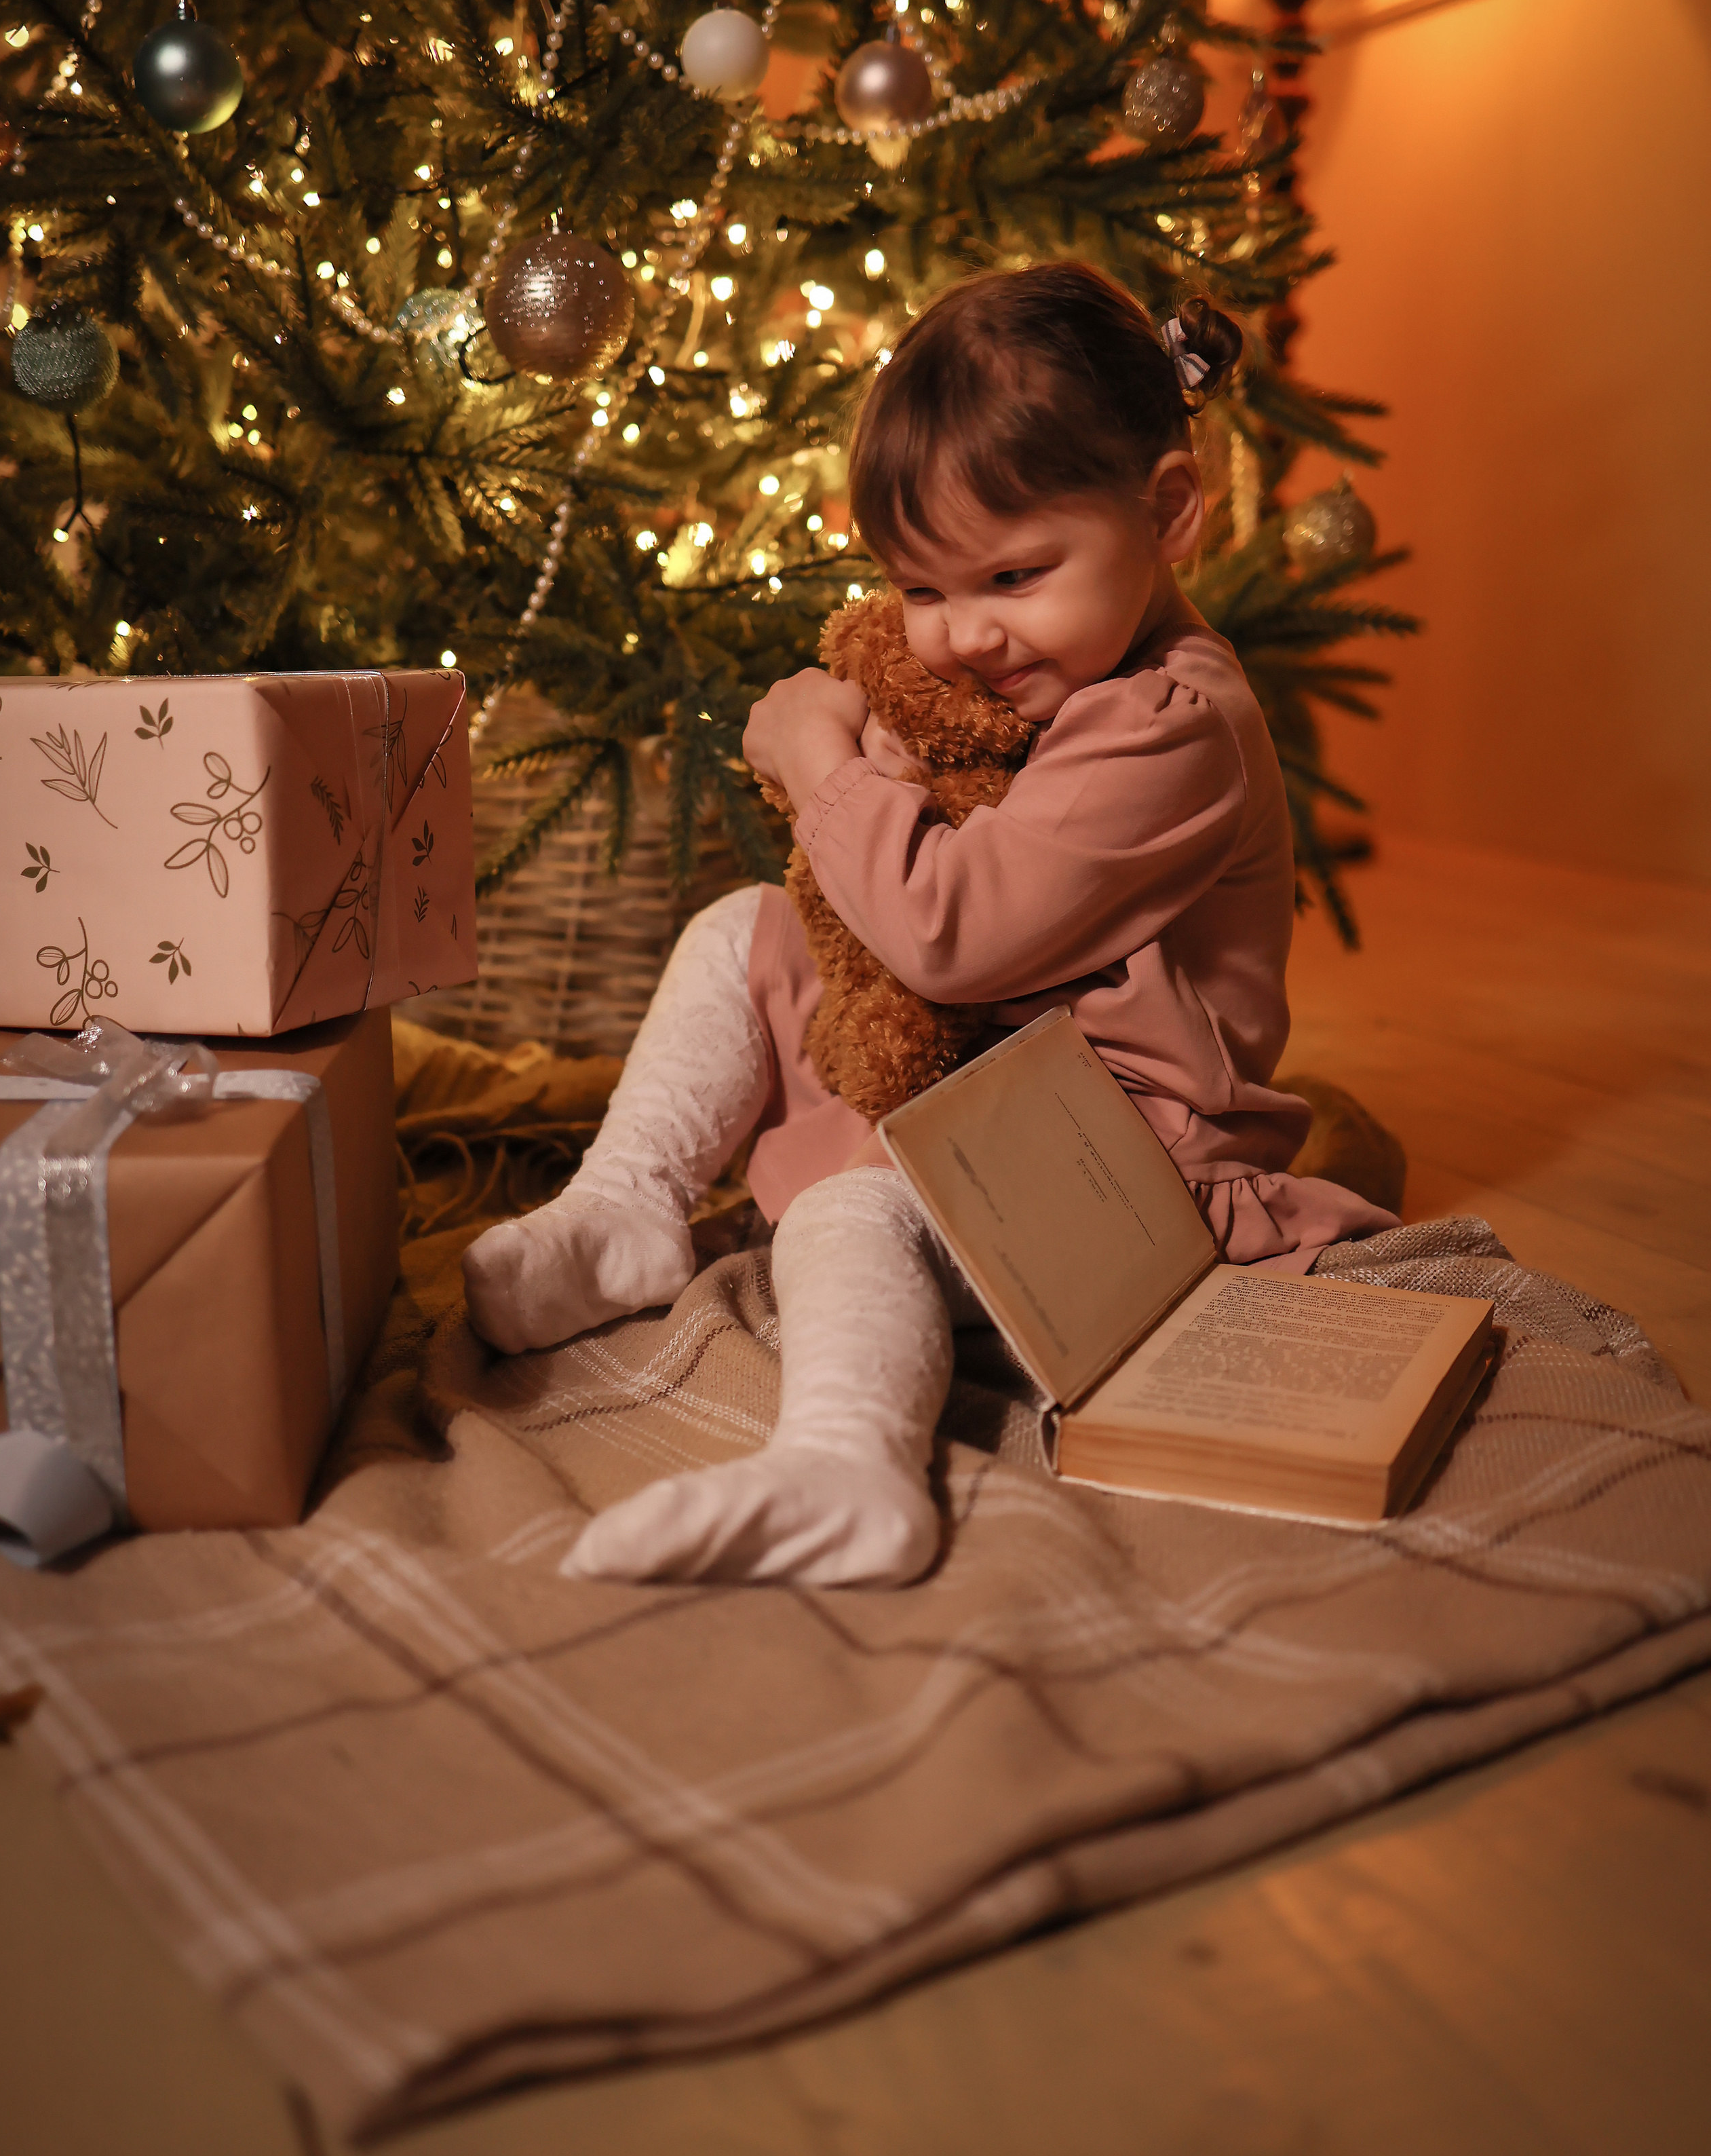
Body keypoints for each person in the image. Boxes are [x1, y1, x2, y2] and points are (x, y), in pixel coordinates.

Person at [463, 263, 1396, 1587]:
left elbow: (947, 933)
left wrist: (818, 758)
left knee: (852, 1214)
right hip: (994, 1088)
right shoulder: (1057, 680)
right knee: (740, 928)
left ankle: (848, 1466)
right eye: (916, 589)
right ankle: (626, 1208)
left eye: (1012, 574)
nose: (957, 639)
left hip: (1129, 1170)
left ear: (1169, 512)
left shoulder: (1171, 727)